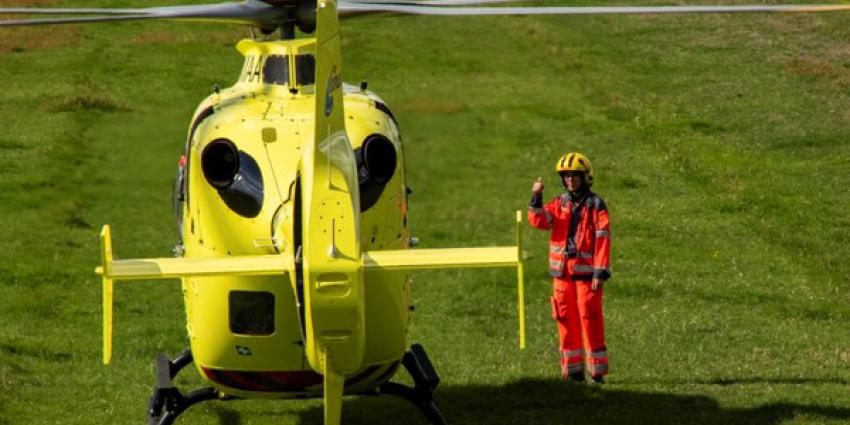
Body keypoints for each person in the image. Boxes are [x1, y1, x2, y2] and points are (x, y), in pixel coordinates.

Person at [527, 152, 611, 383]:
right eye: (566, 176)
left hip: (586, 276)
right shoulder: (559, 203)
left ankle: (597, 373)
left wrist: (600, 270)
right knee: (565, 321)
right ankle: (573, 372)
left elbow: (603, 238)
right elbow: (539, 221)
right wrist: (536, 195)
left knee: (590, 319)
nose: (570, 180)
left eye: (575, 175)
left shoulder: (596, 205)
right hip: (561, 275)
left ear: (586, 177)